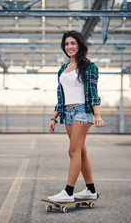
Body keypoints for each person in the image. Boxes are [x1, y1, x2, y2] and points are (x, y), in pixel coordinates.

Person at [48, 30, 105, 203]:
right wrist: (54, 117)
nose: (69, 47)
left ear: (79, 45)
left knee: (73, 151)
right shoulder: (62, 70)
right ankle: (90, 190)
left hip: (83, 111)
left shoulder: (89, 66)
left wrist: (97, 115)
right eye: (66, 44)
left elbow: (93, 93)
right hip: (68, 113)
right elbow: (61, 97)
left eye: (73, 43)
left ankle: (68, 191)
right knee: (81, 152)